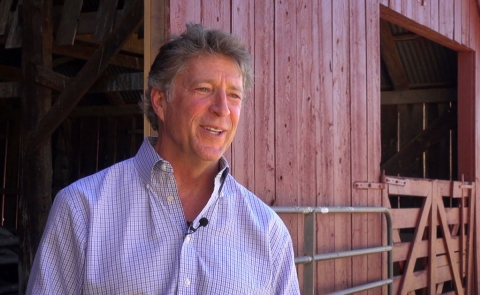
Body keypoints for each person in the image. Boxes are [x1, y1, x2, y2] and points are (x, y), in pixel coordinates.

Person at [27, 23, 300, 294]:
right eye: (203, 89)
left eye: (234, 95)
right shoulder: (82, 210)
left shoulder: (268, 234)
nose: (222, 109)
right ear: (160, 101)